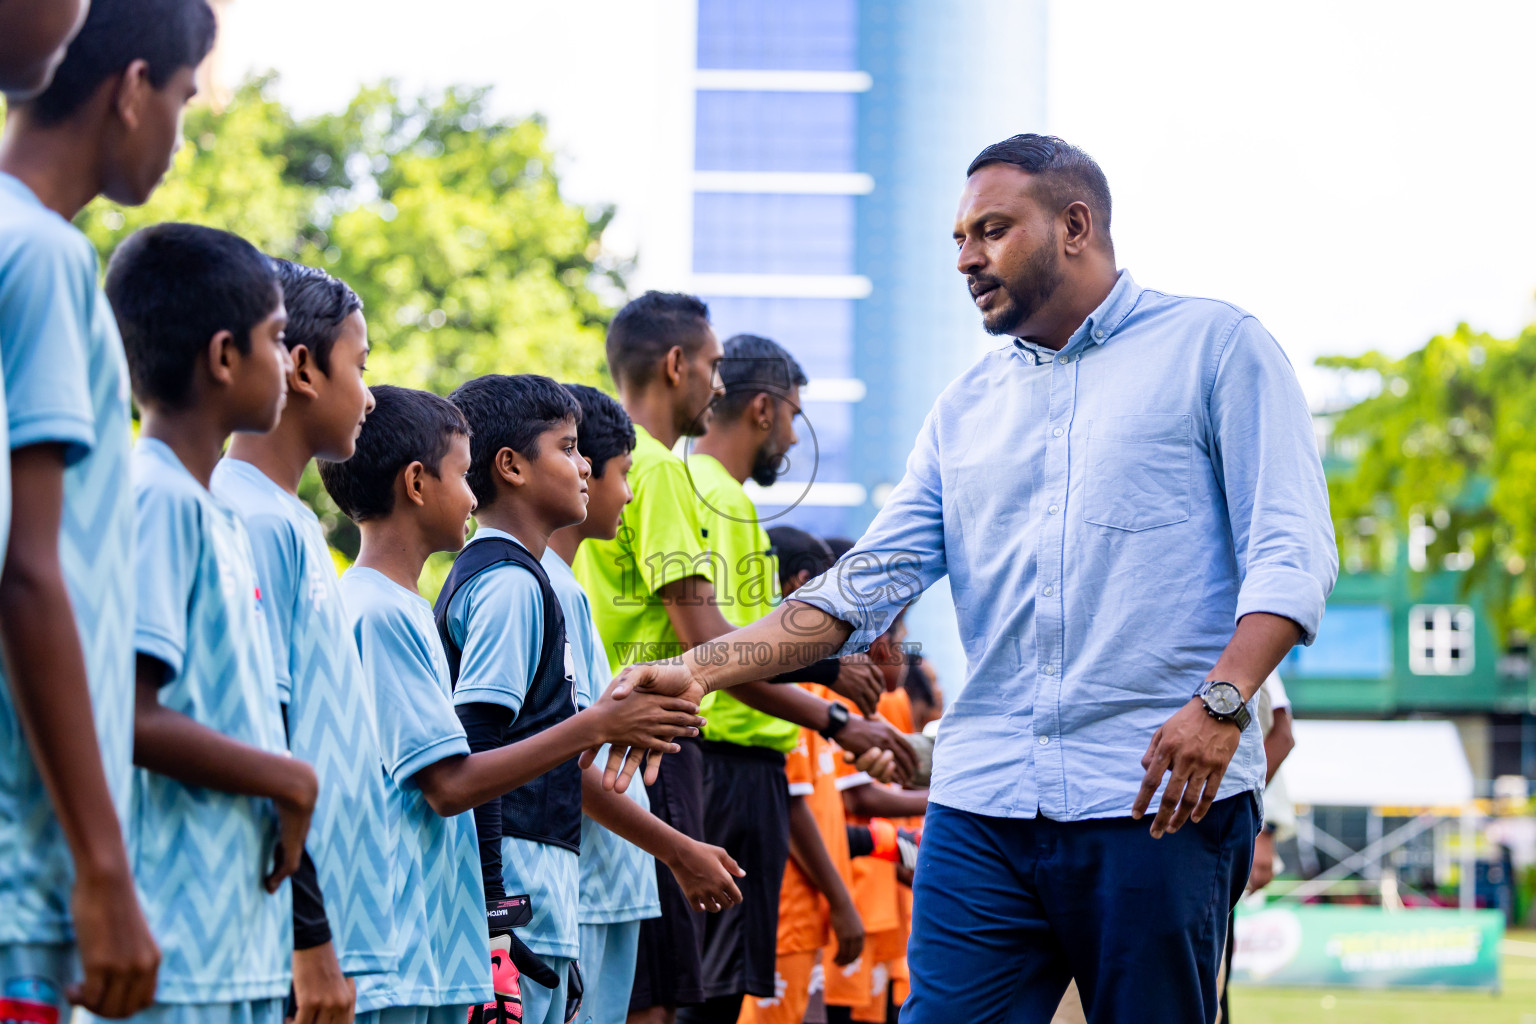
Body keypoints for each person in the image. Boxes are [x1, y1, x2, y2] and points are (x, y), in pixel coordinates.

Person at [611, 133, 1338, 1023]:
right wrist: (696, 671)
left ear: (1076, 225)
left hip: (1156, 797)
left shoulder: (1216, 349)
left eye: (992, 230)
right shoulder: (965, 408)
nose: (966, 258)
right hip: (984, 803)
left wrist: (1223, 703)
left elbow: (1294, 552)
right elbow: (856, 590)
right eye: (959, 237)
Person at [574, 295, 910, 1024]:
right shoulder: (671, 476)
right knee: (678, 997)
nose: (717, 385)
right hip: (674, 747)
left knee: (657, 987)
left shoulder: (641, 472)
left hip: (652, 747)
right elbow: (709, 639)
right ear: (677, 366)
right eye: (712, 366)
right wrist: (827, 690)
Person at [321, 384, 703, 1024]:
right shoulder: (489, 587)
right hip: (452, 923)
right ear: (419, 484)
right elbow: (460, 772)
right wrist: (598, 725)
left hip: (465, 920)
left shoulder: (408, 603)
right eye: (569, 447)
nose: (468, 495)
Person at [0, 5, 215, 1018]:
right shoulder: (40, 257)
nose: (179, 125)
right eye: (181, 96)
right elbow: (27, 569)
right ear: (133, 89)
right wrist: (101, 864)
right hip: (25, 869)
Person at [440, 374, 711, 1024]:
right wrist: (675, 845)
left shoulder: (539, 581)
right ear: (511, 467)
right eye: (568, 448)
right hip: (537, 882)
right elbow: (484, 749)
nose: (587, 467)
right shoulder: (516, 584)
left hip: (563, 881)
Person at [102, 221, 318, 1024]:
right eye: (276, 339)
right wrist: (288, 777)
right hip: (175, 950)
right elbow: (125, 711)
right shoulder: (155, 497)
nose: (286, 363)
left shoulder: (211, 511)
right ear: (225, 357)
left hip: (236, 944)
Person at [682, 333, 904, 1024]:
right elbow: (724, 656)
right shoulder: (712, 497)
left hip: (735, 772)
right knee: (705, 999)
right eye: (793, 417)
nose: (793, 441)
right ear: (762, 409)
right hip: (723, 769)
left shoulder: (719, 497)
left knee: (707, 994)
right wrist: (835, 694)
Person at [211, 260, 392, 1024]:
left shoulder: (290, 521)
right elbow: (265, 738)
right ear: (305, 366)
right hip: (279, 934)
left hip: (318, 935)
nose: (372, 394)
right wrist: (306, 936)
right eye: (362, 364)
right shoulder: (245, 515)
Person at [544, 383, 746, 1024]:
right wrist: (677, 848)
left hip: (611, 881)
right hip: (582, 885)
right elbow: (552, 754)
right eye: (621, 472)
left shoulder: (565, 588)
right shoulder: (527, 589)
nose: (628, 492)